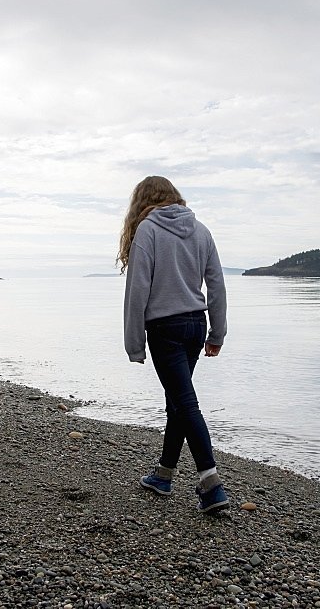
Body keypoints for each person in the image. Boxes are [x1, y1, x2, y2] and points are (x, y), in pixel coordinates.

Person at [118, 175, 229, 514]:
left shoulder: (148, 231)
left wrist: (134, 344)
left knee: (184, 401)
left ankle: (211, 484)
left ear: (142, 200)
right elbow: (217, 285)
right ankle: (164, 474)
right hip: (196, 325)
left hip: (164, 327)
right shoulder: (201, 230)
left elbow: (138, 290)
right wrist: (217, 332)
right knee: (178, 401)